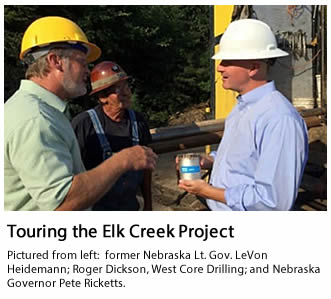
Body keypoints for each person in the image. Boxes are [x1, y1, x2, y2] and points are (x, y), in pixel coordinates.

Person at [4, 16, 157, 211]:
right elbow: (62, 204)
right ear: (55, 61)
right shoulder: (37, 119)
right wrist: (123, 160)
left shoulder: (36, 110)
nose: (87, 71)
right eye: (82, 62)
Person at [178, 19, 308, 211]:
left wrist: (206, 191)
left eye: (228, 61)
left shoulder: (279, 119)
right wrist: (211, 160)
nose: (220, 67)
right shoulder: (243, 106)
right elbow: (244, 160)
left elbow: (272, 203)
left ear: (254, 68)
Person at [72, 61, 153, 211]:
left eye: (126, 86)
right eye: (118, 89)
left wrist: (148, 206)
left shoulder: (138, 122)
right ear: (103, 97)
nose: (126, 92)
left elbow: (146, 169)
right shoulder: (84, 125)